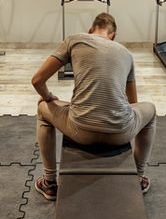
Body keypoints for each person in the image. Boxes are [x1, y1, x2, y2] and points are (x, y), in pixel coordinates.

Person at [31, 13, 157, 200]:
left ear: (90, 31)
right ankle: (138, 176)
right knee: (151, 111)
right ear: (113, 36)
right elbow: (133, 104)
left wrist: (49, 97)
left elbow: (37, 81)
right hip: (121, 134)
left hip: (80, 131)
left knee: (43, 108)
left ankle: (49, 182)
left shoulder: (74, 40)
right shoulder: (126, 54)